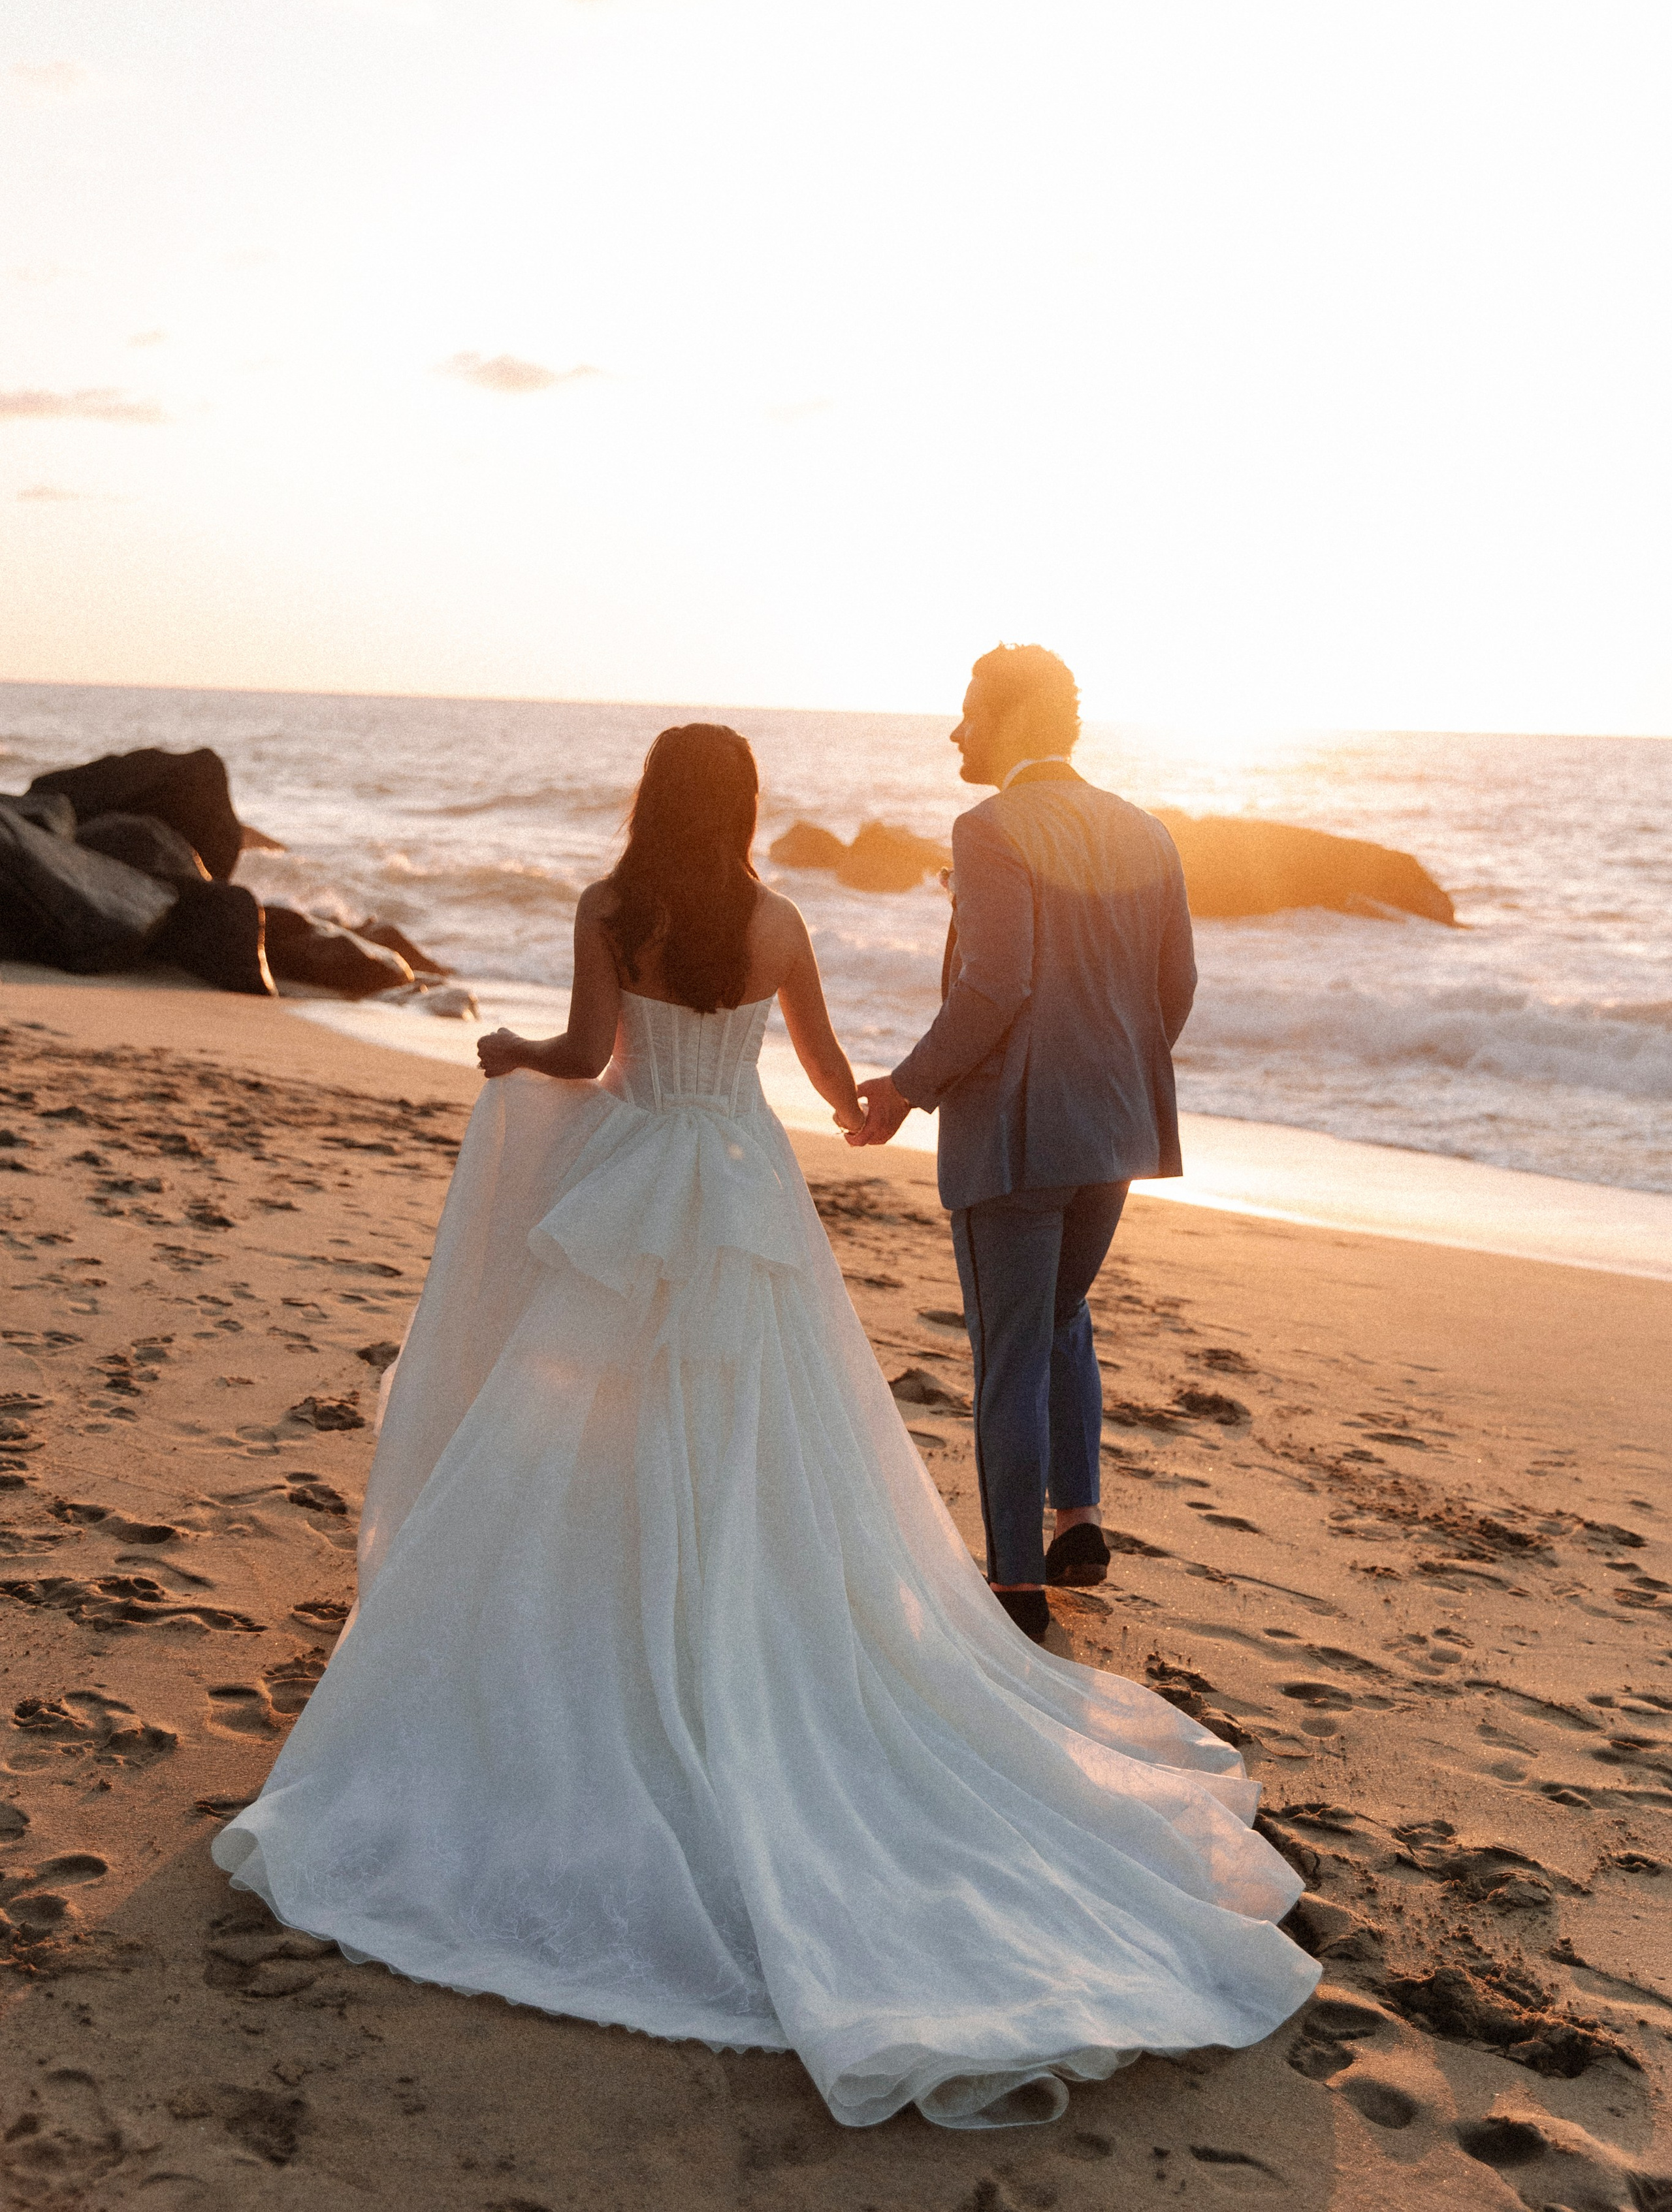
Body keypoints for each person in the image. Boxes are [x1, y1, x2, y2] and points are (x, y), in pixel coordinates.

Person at [213, 721, 1314, 2132]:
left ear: (650, 801)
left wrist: (511, 1050)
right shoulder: (779, 919)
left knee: (585, 1410)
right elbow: (819, 1069)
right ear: (742, 808)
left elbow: (589, 1051)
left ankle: (604, 1601)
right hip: (739, 1189)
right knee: (758, 1425)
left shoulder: (616, 909)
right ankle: (754, 1601)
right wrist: (874, 1103)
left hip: (632, 1180)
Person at [851, 647, 1197, 1646]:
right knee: (1061, 1310)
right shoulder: (1147, 830)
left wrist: (906, 1089)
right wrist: (1116, 1073)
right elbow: (1177, 985)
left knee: (1009, 1347)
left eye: (967, 712)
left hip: (1016, 1133)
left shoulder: (989, 827)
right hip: (1118, 1131)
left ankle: (1011, 1587)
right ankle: (1077, 1517)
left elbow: (995, 985)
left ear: (1008, 722)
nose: (956, 732)